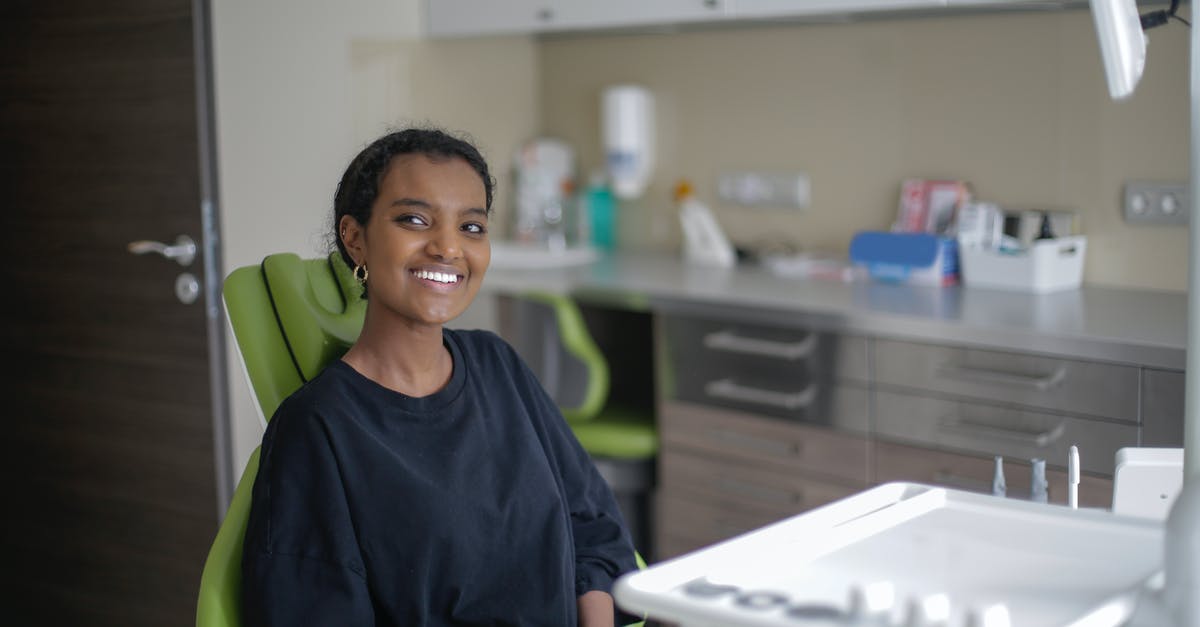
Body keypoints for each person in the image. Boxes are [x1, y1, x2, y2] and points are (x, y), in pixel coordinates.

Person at [241, 127, 639, 626]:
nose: (448, 248)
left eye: (471, 227)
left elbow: (594, 531)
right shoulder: (316, 430)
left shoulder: (499, 366)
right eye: (414, 219)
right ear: (356, 238)